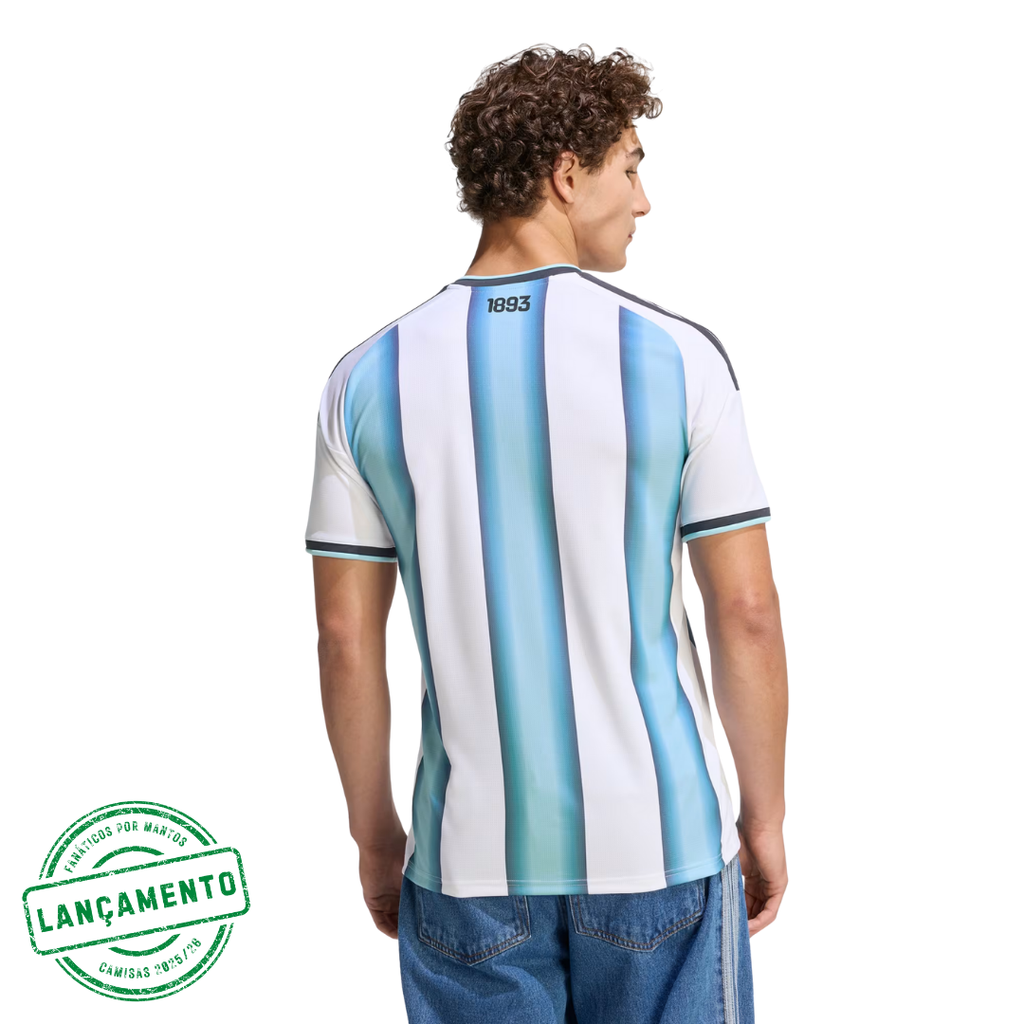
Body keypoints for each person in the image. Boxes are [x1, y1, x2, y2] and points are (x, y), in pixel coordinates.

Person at [306, 42, 787, 1023]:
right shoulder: (678, 357)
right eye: (630, 167)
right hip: (662, 846)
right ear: (568, 174)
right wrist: (765, 814)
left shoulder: (365, 378)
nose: (643, 200)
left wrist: (375, 837)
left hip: (465, 861)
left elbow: (345, 637)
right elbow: (744, 609)